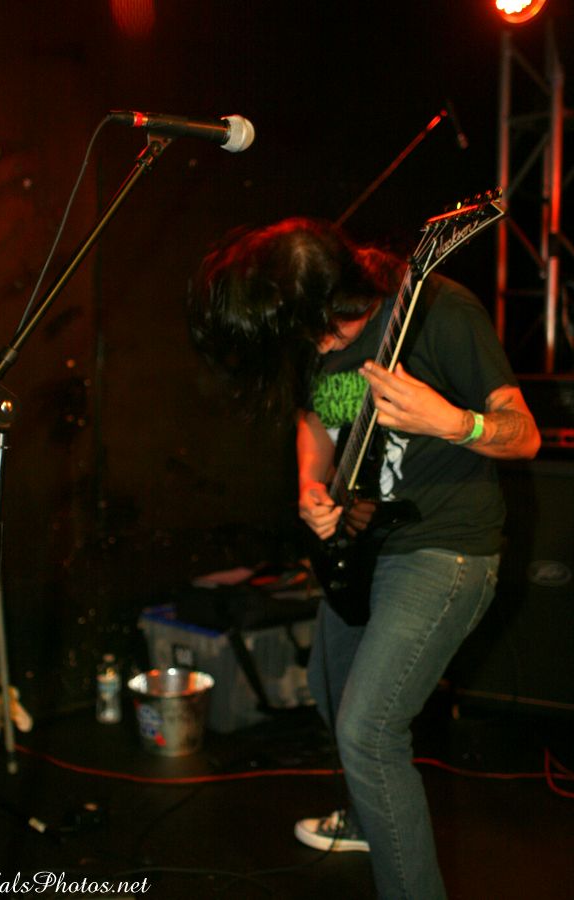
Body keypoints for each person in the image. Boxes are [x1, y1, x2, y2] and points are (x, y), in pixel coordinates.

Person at [189, 216, 540, 900]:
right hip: (366, 543)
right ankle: (372, 818)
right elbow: (319, 418)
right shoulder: (323, 342)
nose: (307, 345)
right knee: (330, 691)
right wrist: (311, 486)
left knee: (370, 731)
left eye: (309, 330)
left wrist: (452, 422)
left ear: (331, 299)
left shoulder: (437, 313)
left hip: (444, 545)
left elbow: (523, 434)